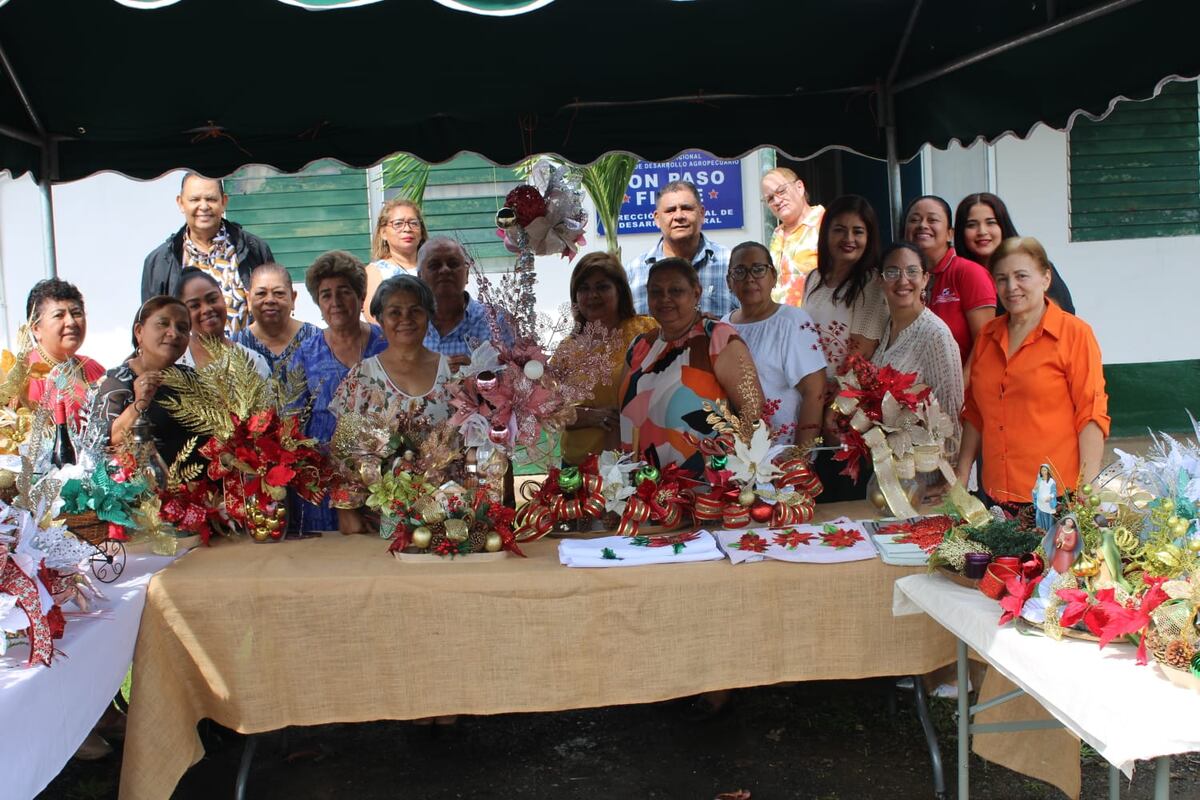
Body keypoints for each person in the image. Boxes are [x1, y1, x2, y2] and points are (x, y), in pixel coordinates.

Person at [956, 237, 1109, 505]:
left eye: (1021, 276)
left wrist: (1088, 487)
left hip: (1054, 497)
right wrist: (961, 473)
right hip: (994, 494)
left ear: (1045, 279)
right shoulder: (987, 336)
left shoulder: (1074, 334)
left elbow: (1091, 413)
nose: (1011, 287)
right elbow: (975, 411)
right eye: (1001, 278)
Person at [329, 275, 453, 534]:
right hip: (382, 521)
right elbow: (343, 455)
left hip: (447, 517)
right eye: (395, 312)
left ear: (428, 316)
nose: (405, 319)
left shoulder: (454, 373)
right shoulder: (362, 376)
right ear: (380, 320)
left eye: (415, 311)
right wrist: (347, 513)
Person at [620, 257, 763, 475]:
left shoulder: (717, 337)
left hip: (701, 488)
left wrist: (725, 466)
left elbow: (752, 413)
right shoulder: (639, 346)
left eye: (676, 291)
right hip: (640, 486)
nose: (665, 299)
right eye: (656, 292)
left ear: (696, 293)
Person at [289, 251, 387, 534]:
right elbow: (291, 419)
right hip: (323, 470)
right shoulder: (306, 352)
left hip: (381, 465)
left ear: (360, 296)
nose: (335, 302)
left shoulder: (386, 342)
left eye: (344, 292)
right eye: (326, 295)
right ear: (318, 303)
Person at [804, 195, 889, 502]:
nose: (849, 239)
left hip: (848, 406)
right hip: (813, 399)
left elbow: (860, 354)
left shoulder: (872, 283)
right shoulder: (813, 279)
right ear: (826, 233)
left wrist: (832, 405)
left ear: (870, 237)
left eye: (858, 231)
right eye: (840, 229)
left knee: (842, 495)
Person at [141, 172, 274, 335]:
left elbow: (276, 308)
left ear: (224, 201)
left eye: (211, 199)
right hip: (185, 360)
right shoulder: (160, 262)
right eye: (195, 200)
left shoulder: (254, 249)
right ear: (181, 203)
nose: (203, 207)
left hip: (248, 358)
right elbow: (152, 328)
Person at [722, 242, 826, 448]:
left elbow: (815, 391)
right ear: (729, 281)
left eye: (759, 269)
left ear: (774, 276)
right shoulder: (722, 327)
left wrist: (800, 457)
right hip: (740, 455)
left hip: (783, 454)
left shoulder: (792, 321)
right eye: (740, 271)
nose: (750, 278)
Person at [557, 252, 657, 465]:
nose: (592, 295)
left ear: (619, 291)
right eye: (584, 288)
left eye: (602, 287)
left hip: (640, 461)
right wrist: (591, 416)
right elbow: (548, 411)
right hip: (579, 467)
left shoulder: (647, 330)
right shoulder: (567, 348)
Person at [871, 242, 964, 463]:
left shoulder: (934, 334)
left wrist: (950, 483)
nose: (903, 280)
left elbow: (952, 413)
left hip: (927, 473)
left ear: (925, 279)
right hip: (890, 466)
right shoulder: (886, 326)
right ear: (880, 279)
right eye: (893, 272)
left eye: (912, 271)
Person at [90, 297, 198, 467]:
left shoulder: (192, 379)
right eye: (163, 324)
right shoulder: (116, 381)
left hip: (197, 489)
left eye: (182, 328)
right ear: (139, 331)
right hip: (141, 490)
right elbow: (103, 443)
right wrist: (139, 403)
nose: (174, 333)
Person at [902, 195, 995, 364]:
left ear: (949, 234)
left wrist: (958, 389)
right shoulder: (901, 279)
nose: (922, 225)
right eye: (914, 220)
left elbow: (985, 347)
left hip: (962, 387)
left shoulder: (969, 273)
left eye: (932, 219)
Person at [624, 180, 734, 318]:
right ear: (657, 219)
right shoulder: (633, 272)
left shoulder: (730, 264)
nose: (679, 216)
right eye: (670, 210)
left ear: (702, 213)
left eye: (686, 208)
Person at [953, 192, 1076, 314]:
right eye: (971, 225)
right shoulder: (955, 276)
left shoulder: (1035, 266)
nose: (982, 231)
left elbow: (1065, 317)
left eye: (991, 222)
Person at [24, 279, 106, 428]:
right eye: (59, 315)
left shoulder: (93, 367)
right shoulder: (25, 377)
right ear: (36, 329)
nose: (71, 322)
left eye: (76, 313)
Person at [175, 268, 270, 378]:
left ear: (223, 299)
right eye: (195, 306)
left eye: (212, 300)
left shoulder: (252, 362)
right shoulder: (172, 361)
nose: (207, 309)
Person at [417, 236, 495, 369]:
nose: (445, 270)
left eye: (453, 264)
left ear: (467, 273)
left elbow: (519, 377)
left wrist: (478, 371)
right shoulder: (407, 324)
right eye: (434, 265)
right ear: (420, 277)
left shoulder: (495, 320)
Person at [232, 263, 321, 372]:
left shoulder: (317, 340)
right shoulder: (236, 346)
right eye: (261, 293)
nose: (270, 300)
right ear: (249, 299)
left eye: (279, 293)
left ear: (293, 298)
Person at [761, 167, 826, 307]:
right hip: (781, 323)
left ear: (799, 187)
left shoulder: (827, 224)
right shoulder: (777, 234)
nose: (777, 201)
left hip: (817, 322)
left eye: (781, 191)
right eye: (770, 198)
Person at [364, 199, 428, 323]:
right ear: (383, 233)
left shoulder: (435, 267)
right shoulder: (376, 271)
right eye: (398, 224)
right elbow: (375, 319)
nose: (407, 229)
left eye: (413, 223)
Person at [1033, 464, 1057, 532]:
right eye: (1042, 470)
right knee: (1038, 518)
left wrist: (1050, 497)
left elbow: (1054, 492)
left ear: (1048, 471)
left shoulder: (1051, 481)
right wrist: (1034, 490)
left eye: (1045, 470)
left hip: (1047, 504)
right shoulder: (1039, 480)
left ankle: (1048, 532)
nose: (1043, 472)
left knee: (1048, 519)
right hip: (1040, 503)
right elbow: (1034, 491)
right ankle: (1040, 531)